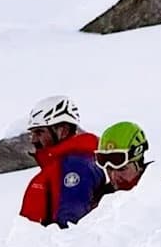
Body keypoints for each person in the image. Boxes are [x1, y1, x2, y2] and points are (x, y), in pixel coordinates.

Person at [18, 95, 105, 228]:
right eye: (32, 133)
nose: (33, 140)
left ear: (62, 130)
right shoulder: (59, 165)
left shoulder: (76, 166)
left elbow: (70, 227)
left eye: (39, 132)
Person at [94, 121, 152, 194]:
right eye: (109, 169)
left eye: (121, 169)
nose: (113, 177)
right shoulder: (99, 199)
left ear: (138, 166)